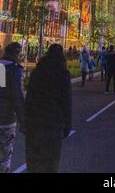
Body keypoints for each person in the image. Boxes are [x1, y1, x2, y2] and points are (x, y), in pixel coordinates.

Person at [25, 44, 72, 173]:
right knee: (51, 160)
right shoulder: (63, 73)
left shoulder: (37, 72)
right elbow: (66, 101)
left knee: (34, 159)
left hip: (35, 122)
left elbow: (29, 97)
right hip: (53, 123)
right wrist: (68, 124)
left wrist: (25, 121)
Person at [0, 42, 25, 173]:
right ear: (17, 54)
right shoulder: (15, 70)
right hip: (6, 119)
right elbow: (17, 97)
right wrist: (24, 120)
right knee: (4, 155)